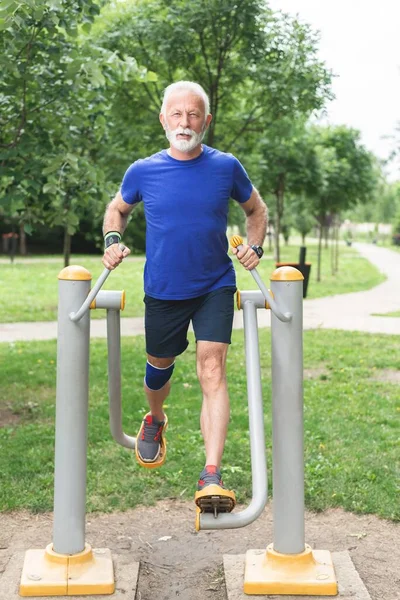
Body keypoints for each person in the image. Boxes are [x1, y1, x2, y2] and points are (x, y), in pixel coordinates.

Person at [102, 81, 268, 515]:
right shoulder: (143, 170)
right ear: (163, 120)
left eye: (194, 114)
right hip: (163, 289)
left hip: (215, 283)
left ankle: (211, 473)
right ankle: (155, 418)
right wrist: (114, 239)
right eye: (176, 114)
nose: (185, 122)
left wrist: (256, 247)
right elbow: (116, 208)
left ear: (206, 122)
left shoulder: (226, 166)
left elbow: (257, 211)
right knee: (159, 367)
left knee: (212, 367)